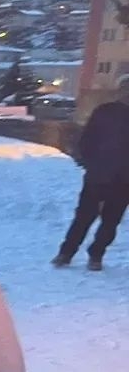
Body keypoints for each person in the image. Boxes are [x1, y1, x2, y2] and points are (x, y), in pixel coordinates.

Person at [51, 74, 129, 272]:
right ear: (120, 91)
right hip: (99, 174)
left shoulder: (104, 111)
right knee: (85, 216)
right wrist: (91, 162)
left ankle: (96, 254)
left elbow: (86, 141)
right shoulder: (104, 111)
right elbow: (87, 140)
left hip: (123, 179)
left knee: (110, 221)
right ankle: (66, 253)